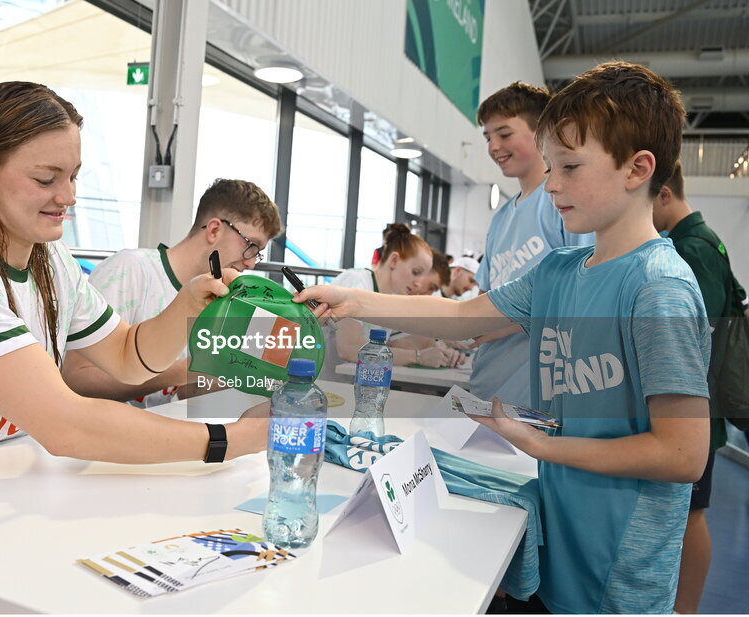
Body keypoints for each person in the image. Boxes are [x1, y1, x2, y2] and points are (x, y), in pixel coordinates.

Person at [0, 82, 285, 614]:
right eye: (46, 179)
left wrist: (184, 310)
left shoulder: (48, 259)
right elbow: (68, 424)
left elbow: (128, 356)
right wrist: (236, 438)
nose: (68, 197)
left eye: (73, 177)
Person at [296, 62, 711, 614]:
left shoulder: (659, 287)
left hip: (616, 572)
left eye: (569, 166)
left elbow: (683, 454)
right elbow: (466, 315)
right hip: (558, 539)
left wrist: (543, 446)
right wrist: (355, 300)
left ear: (638, 169)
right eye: (552, 164)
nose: (553, 183)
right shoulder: (560, 270)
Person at [62, 178, 282, 407]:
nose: (252, 263)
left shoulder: (219, 299)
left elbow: (181, 394)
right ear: (215, 229)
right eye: (252, 246)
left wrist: (239, 368)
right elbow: (76, 378)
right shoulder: (130, 269)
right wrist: (182, 370)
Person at [652, 159, 747, 613]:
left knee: (690, 516)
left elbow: (694, 332)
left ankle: (685, 608)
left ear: (664, 194)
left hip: (696, 411)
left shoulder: (694, 248)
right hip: (697, 407)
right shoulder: (704, 244)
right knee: (686, 515)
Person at [471, 82, 594, 408]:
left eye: (504, 134)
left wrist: (506, 322)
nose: (494, 146)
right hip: (488, 386)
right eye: (487, 137)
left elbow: (586, 298)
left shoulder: (563, 204)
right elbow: (483, 299)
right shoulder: (500, 219)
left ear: (541, 132)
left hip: (539, 396)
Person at [321, 223, 463, 379]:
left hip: (350, 384)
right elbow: (349, 348)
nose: (418, 283)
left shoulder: (389, 298)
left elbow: (402, 342)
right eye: (415, 272)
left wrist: (441, 353)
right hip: (322, 381)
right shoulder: (357, 282)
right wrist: (417, 357)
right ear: (394, 260)